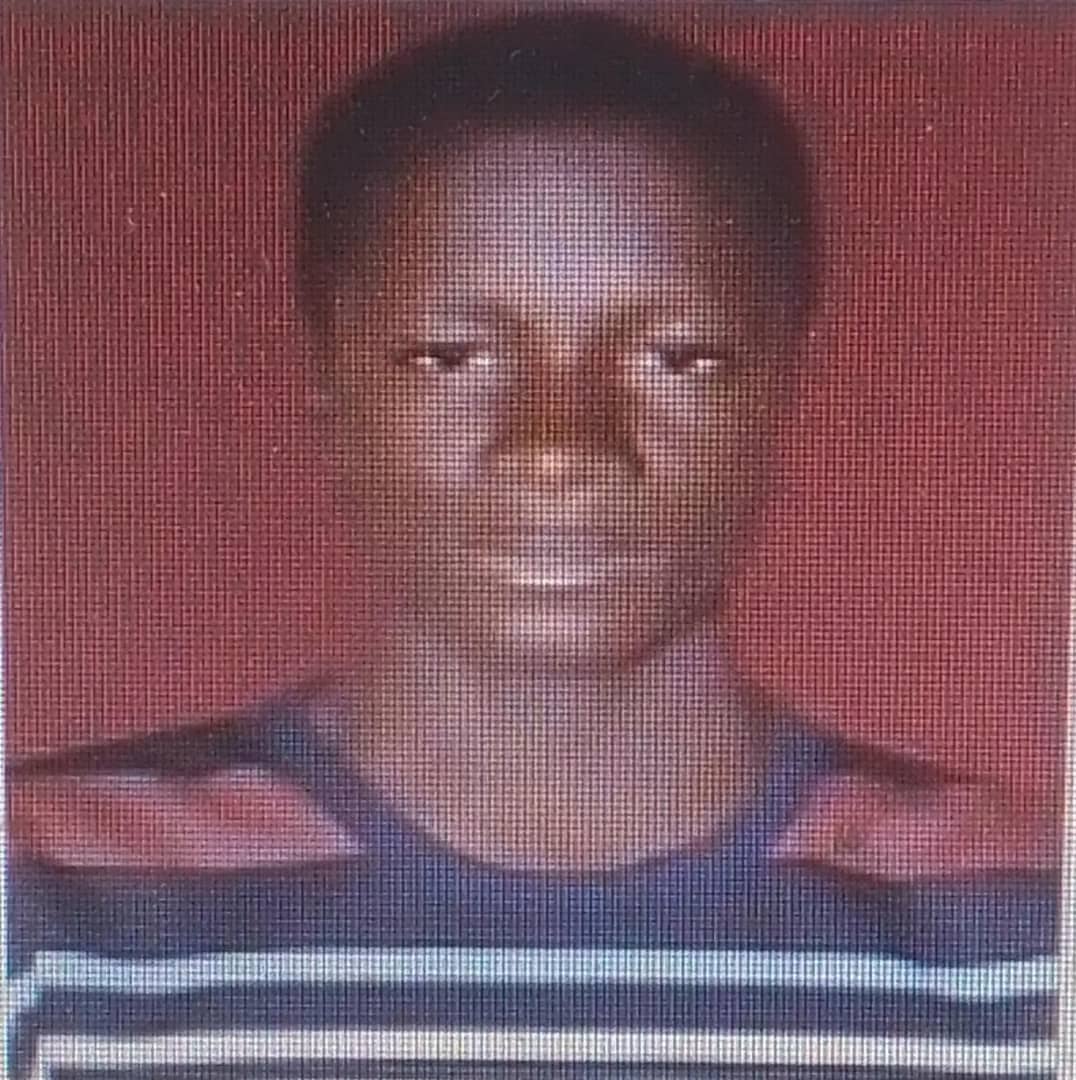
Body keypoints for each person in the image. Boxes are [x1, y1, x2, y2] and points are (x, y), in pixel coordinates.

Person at [6, 11, 1059, 1079]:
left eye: (677, 358)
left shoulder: (1025, 927)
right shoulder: (42, 906)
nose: (560, 445)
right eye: (451, 356)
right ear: (326, 376)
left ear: (786, 382)